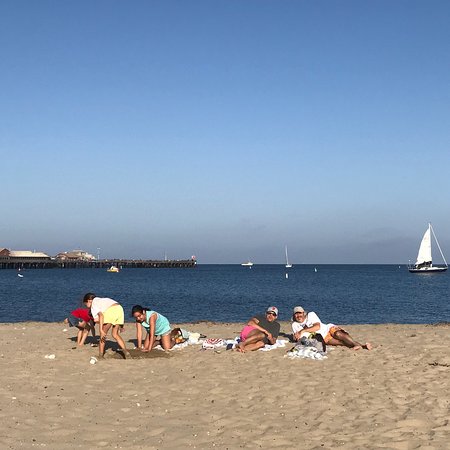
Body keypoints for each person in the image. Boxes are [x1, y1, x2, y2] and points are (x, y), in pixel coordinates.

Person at [291, 306, 372, 350]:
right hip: (323, 338)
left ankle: (356, 345)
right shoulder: (295, 324)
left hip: (328, 329)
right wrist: (296, 337)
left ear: (303, 313)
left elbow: (317, 327)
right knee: (341, 342)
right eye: (296, 314)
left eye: (300, 313)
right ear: (294, 315)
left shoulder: (311, 315)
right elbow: (299, 337)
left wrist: (302, 331)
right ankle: (363, 346)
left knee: (338, 334)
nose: (299, 315)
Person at [83, 293, 131, 359]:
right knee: (115, 334)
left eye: (85, 304)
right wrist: (121, 326)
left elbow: (101, 316)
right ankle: (126, 352)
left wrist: (101, 330)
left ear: (88, 301)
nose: (87, 307)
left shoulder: (93, 303)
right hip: (119, 308)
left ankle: (101, 356)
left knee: (103, 335)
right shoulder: (100, 300)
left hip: (111, 310)